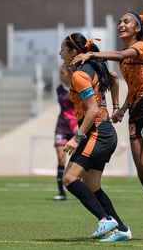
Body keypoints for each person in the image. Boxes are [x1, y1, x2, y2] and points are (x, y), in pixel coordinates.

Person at [72, 12, 143, 239]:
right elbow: (134, 87)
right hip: (135, 116)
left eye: (126, 21)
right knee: (142, 174)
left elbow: (118, 54)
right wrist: (122, 109)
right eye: (119, 22)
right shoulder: (125, 61)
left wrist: (90, 55)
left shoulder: (141, 48)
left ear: (137, 28)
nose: (121, 24)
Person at [59, 32, 131, 242]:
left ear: (74, 52)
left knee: (69, 178)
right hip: (104, 132)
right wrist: (116, 107)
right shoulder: (90, 68)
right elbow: (115, 78)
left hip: (97, 133)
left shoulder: (79, 75)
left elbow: (91, 110)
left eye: (62, 49)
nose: (59, 52)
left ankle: (104, 218)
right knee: (92, 184)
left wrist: (77, 137)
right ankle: (123, 229)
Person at [53, 65, 76, 201]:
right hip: (62, 126)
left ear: (69, 74)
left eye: (62, 72)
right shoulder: (58, 89)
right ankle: (61, 192)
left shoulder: (77, 89)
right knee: (61, 158)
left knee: (79, 160)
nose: (60, 75)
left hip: (76, 127)